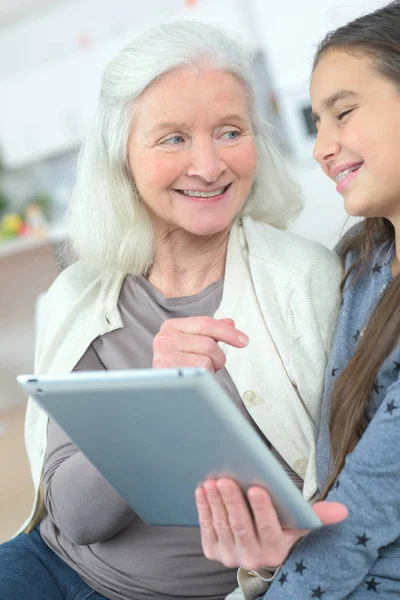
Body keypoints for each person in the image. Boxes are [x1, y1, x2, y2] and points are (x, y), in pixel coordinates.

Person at [0, 21, 343, 600]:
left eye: (230, 131)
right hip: (54, 570)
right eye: (173, 138)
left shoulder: (307, 280)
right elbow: (78, 519)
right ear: (122, 159)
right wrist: (156, 400)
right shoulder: (76, 297)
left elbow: (331, 490)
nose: (209, 166)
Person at [195, 2, 400, 598]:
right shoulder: (364, 264)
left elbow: (361, 510)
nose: (320, 146)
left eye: (344, 112)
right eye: (317, 121)